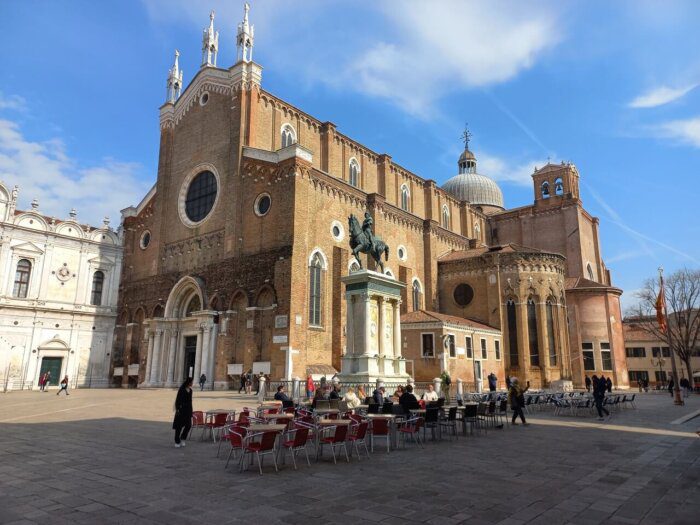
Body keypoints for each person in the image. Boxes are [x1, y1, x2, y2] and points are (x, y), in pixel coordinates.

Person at [172, 378, 193, 448]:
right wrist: (178, 408)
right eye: (191, 382)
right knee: (179, 427)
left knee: (188, 425)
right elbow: (178, 399)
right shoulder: (181, 389)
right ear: (188, 382)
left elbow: (190, 402)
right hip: (181, 410)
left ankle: (183, 438)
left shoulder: (190, 390)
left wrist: (191, 411)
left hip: (188, 410)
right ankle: (177, 441)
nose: (192, 383)